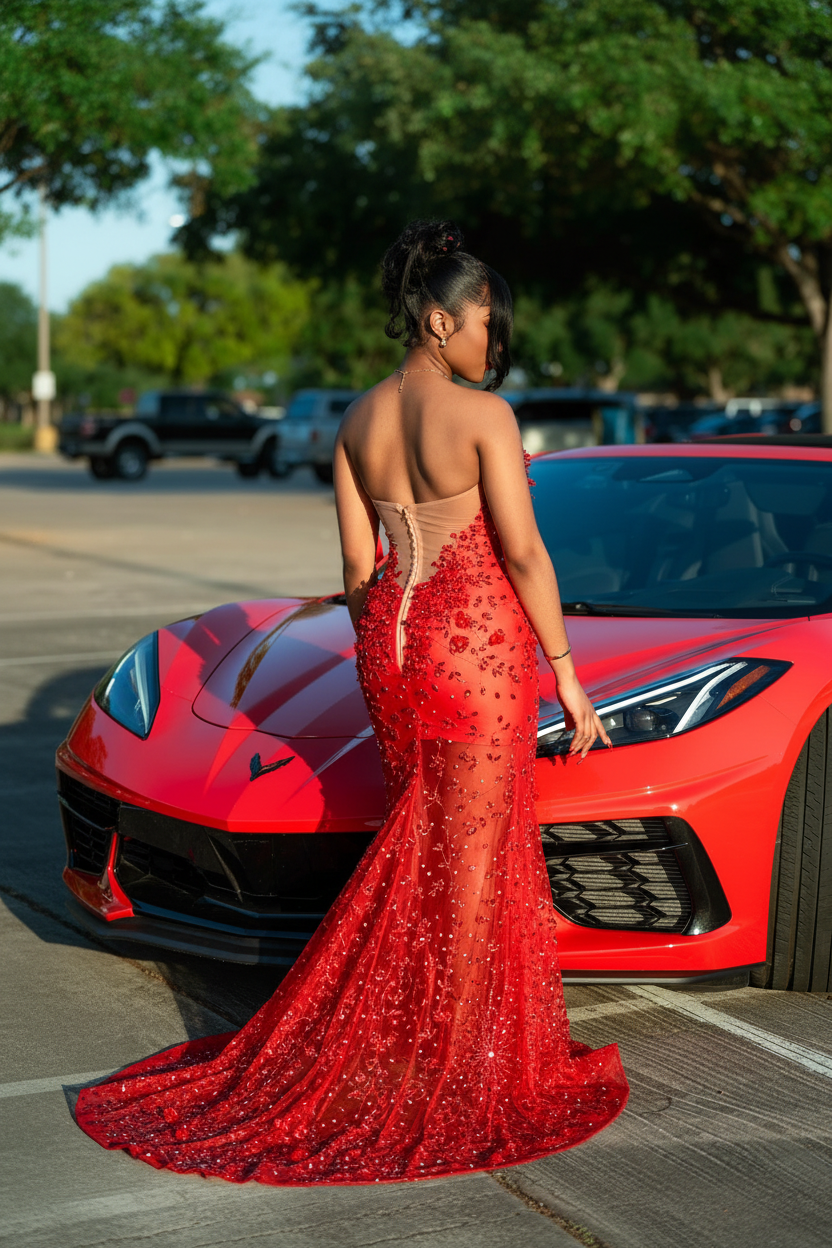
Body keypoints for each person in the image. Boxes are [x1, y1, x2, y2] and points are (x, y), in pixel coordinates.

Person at [74, 220, 628, 1186]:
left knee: (423, 842)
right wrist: (569, 669)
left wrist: (392, 654)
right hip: (478, 652)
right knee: (471, 858)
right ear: (439, 318)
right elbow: (526, 554)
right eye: (486, 324)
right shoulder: (483, 419)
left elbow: (356, 567)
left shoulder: (356, 421)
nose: (493, 344)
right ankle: (457, 1064)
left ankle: (423, 1040)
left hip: (395, 656)